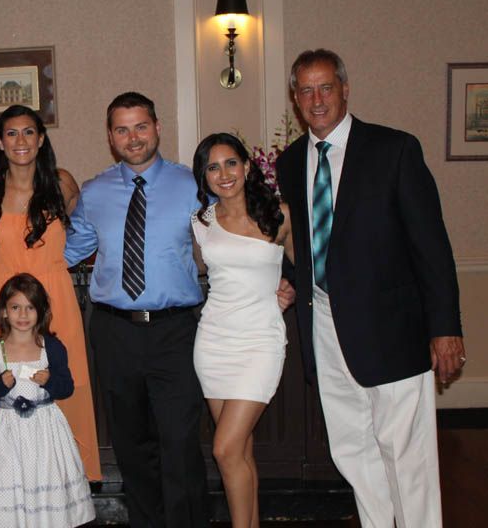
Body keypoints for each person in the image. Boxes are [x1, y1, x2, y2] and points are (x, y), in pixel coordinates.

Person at [276, 49, 465, 527]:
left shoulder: (394, 150)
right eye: (306, 91)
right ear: (295, 100)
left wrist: (445, 328)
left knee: (407, 455)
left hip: (392, 331)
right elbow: (306, 239)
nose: (316, 100)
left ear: (344, 89)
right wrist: (289, 280)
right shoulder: (292, 160)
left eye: (325, 88)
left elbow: (432, 247)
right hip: (324, 324)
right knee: (353, 450)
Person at [63, 91, 212, 527]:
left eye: (141, 126)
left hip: (175, 331)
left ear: (158, 128)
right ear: (111, 137)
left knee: (180, 441)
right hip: (114, 331)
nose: (133, 138)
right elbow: (66, 253)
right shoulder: (94, 193)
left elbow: (229, 236)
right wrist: (4, 257)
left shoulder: (192, 185)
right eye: (122, 129)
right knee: (131, 445)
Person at [0, 104, 102, 482]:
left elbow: (89, 229)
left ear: (41, 139)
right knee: (10, 391)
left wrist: (61, 261)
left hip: (56, 299)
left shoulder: (62, 183)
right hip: (7, 307)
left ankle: (68, 487)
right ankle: (14, 488)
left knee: (64, 388)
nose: (20, 141)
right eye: (11, 133)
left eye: (29, 132)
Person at [191, 133, 294, 528]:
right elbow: (200, 271)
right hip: (214, 342)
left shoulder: (280, 216)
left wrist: (291, 287)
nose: (224, 173)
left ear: (247, 167)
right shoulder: (200, 222)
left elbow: (305, 268)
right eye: (212, 167)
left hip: (260, 341)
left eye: (230, 163)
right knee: (241, 452)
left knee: (224, 449)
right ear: (205, 177)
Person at [0, 273, 96, 528]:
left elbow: (67, 388)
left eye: (30, 308)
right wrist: (0, 385)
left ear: (41, 312)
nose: (23, 315)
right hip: (7, 433)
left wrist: (49, 381)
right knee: (10, 482)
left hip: (45, 431)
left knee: (46, 478)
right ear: (4, 312)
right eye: (15, 307)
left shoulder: (51, 347)